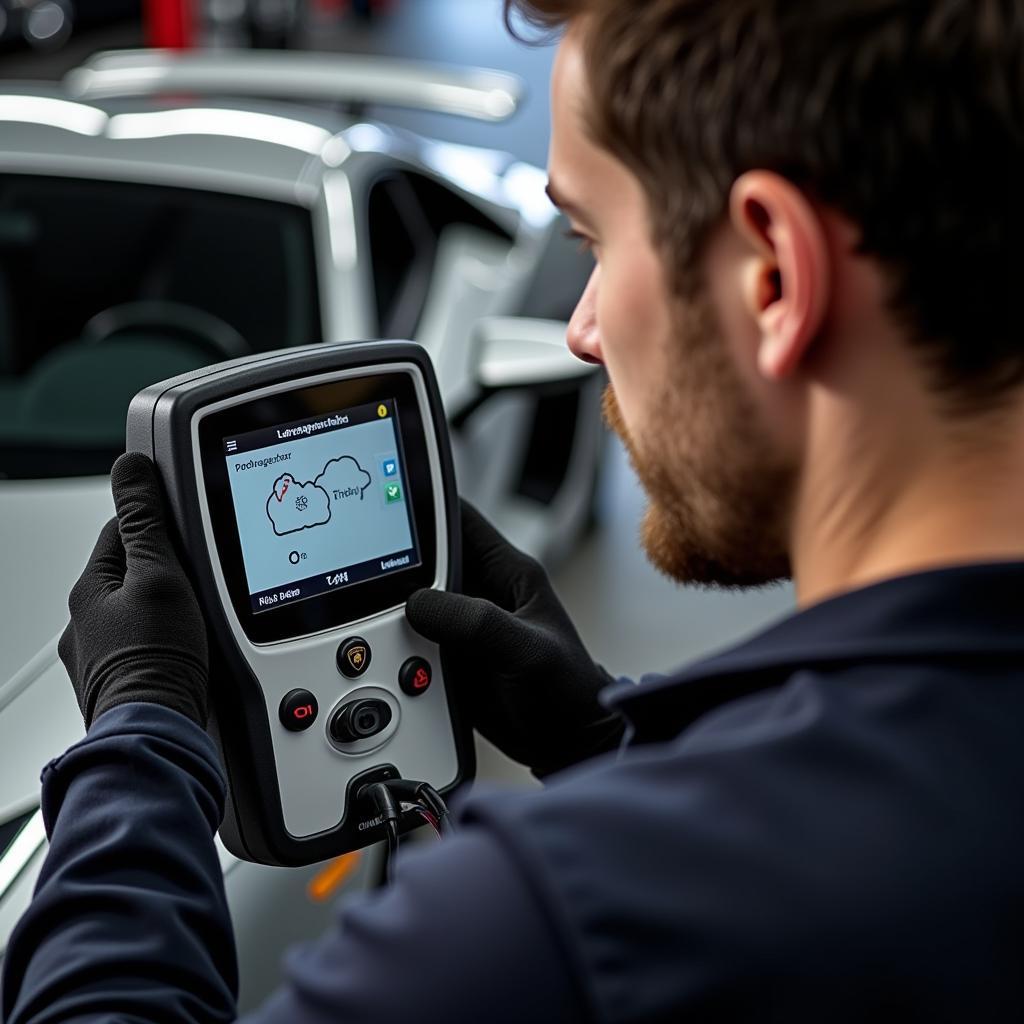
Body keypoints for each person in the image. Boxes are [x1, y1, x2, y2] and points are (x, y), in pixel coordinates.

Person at [5, 0, 1024, 1019]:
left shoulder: (556, 922)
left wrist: (135, 744)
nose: (579, 331)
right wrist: (605, 744)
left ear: (773, 277)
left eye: (593, 242)